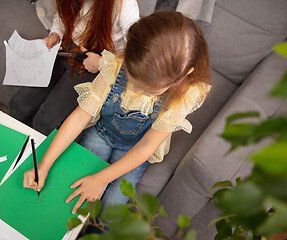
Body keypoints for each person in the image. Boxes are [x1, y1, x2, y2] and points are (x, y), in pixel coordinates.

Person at [23, 10, 212, 215]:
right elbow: (80, 116)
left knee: (112, 207)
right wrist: (44, 164)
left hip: (135, 149)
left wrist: (100, 179)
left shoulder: (185, 96)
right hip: (101, 134)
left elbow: (147, 146)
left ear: (185, 74)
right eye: (132, 80)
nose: (137, 92)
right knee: (72, 187)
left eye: (149, 90)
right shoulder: (114, 66)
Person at [10, 0, 140, 135]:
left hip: (97, 61)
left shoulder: (125, 4)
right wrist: (55, 34)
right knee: (18, 104)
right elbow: (61, 18)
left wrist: (102, 63)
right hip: (67, 48)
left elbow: (138, 51)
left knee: (45, 122)